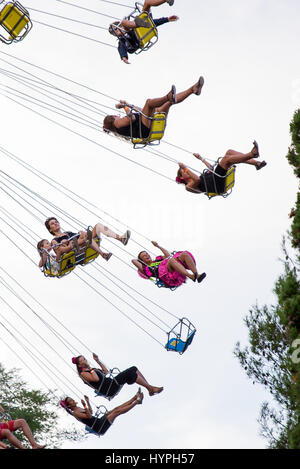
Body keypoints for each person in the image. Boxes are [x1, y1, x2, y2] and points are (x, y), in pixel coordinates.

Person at [103, 76, 204, 140]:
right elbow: (132, 118)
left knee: (169, 103)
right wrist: (124, 107)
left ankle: (193, 90)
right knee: (149, 103)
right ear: (112, 118)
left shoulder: (119, 126)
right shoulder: (117, 123)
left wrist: (129, 105)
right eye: (114, 115)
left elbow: (141, 111)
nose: (116, 115)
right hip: (143, 128)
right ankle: (167, 96)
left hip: (145, 126)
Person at [176, 141, 267, 195]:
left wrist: (201, 158)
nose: (186, 171)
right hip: (216, 185)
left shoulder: (201, 177)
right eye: (183, 171)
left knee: (229, 152)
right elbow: (196, 180)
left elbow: (211, 169)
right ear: (181, 177)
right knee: (226, 160)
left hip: (215, 179)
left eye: (184, 170)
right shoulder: (188, 186)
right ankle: (252, 154)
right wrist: (185, 167)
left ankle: (256, 163)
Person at [108, 0, 178, 64]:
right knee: (125, 22)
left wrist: (167, 19)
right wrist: (124, 57)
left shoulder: (127, 27)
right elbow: (121, 49)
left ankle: (166, 0)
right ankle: (138, 23)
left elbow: (153, 23)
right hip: (138, 34)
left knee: (147, 2)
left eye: (117, 29)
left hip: (142, 26)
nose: (117, 33)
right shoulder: (122, 41)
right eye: (115, 33)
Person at [72, 353, 163, 398]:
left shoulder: (92, 370)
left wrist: (98, 361)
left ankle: (149, 388)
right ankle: (150, 388)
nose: (85, 361)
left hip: (111, 383)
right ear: (79, 365)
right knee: (130, 373)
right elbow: (95, 379)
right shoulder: (83, 374)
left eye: (84, 359)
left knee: (133, 368)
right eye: (82, 360)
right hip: (108, 388)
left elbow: (106, 372)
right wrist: (91, 369)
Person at [44, 217, 131, 262]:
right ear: (50, 229)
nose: (56, 223)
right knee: (76, 239)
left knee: (98, 226)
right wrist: (67, 244)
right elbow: (60, 250)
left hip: (82, 243)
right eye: (52, 223)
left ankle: (121, 239)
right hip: (74, 250)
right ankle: (101, 253)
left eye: (56, 222)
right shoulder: (54, 240)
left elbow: (79, 236)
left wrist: (81, 234)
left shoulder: (68, 233)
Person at [60, 391, 143, 436]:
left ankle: (134, 398)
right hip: (99, 426)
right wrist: (85, 405)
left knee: (115, 409)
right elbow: (88, 416)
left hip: (99, 421)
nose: (73, 400)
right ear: (69, 405)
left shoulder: (78, 408)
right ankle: (137, 401)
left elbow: (90, 412)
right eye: (70, 401)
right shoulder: (75, 413)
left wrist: (87, 402)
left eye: (72, 399)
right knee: (117, 412)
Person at [132, 240, 206, 288]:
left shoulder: (158, 260)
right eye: (144, 256)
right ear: (142, 261)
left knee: (184, 254)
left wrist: (158, 246)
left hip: (174, 268)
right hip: (166, 277)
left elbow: (168, 255)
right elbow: (133, 260)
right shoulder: (146, 268)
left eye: (147, 254)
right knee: (170, 261)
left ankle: (197, 275)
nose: (147, 256)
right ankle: (191, 276)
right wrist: (140, 262)